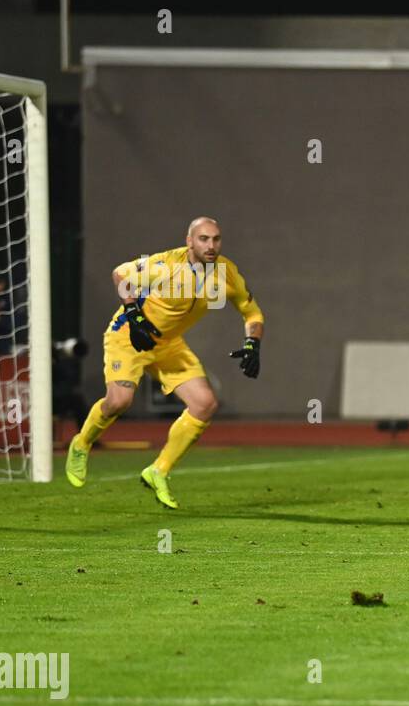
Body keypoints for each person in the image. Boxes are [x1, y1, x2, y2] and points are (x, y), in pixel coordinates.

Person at [64, 217, 266, 508]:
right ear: (189, 241)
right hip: (128, 337)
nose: (211, 245)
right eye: (203, 239)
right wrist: (134, 316)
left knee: (205, 404)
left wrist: (253, 343)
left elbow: (253, 314)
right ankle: (82, 442)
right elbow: (121, 275)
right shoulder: (166, 264)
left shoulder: (226, 273)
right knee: (120, 401)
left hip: (169, 344)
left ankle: (158, 470)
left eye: (216, 239)